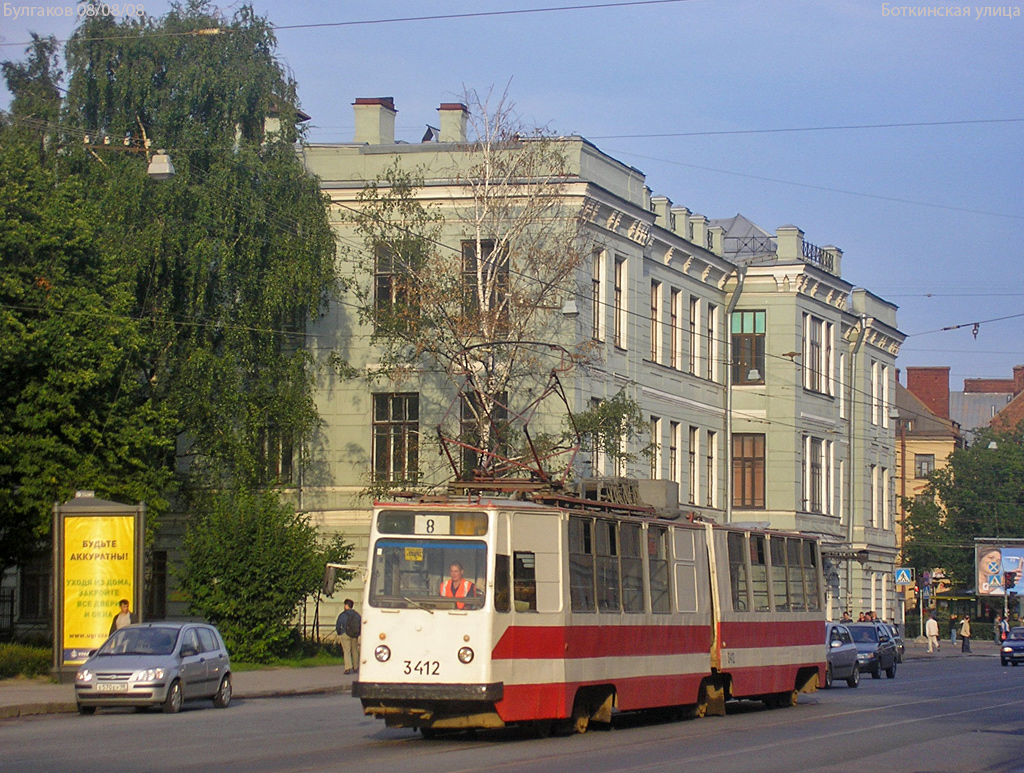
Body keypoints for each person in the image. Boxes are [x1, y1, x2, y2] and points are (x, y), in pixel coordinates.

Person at [335, 599, 361, 675]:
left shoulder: (342, 615)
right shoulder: (357, 615)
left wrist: (339, 632)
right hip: (355, 635)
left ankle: (348, 668)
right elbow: (360, 625)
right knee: (355, 651)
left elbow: (338, 624)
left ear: (346, 605)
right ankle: (356, 667)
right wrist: (358, 633)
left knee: (347, 651)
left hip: (345, 634)